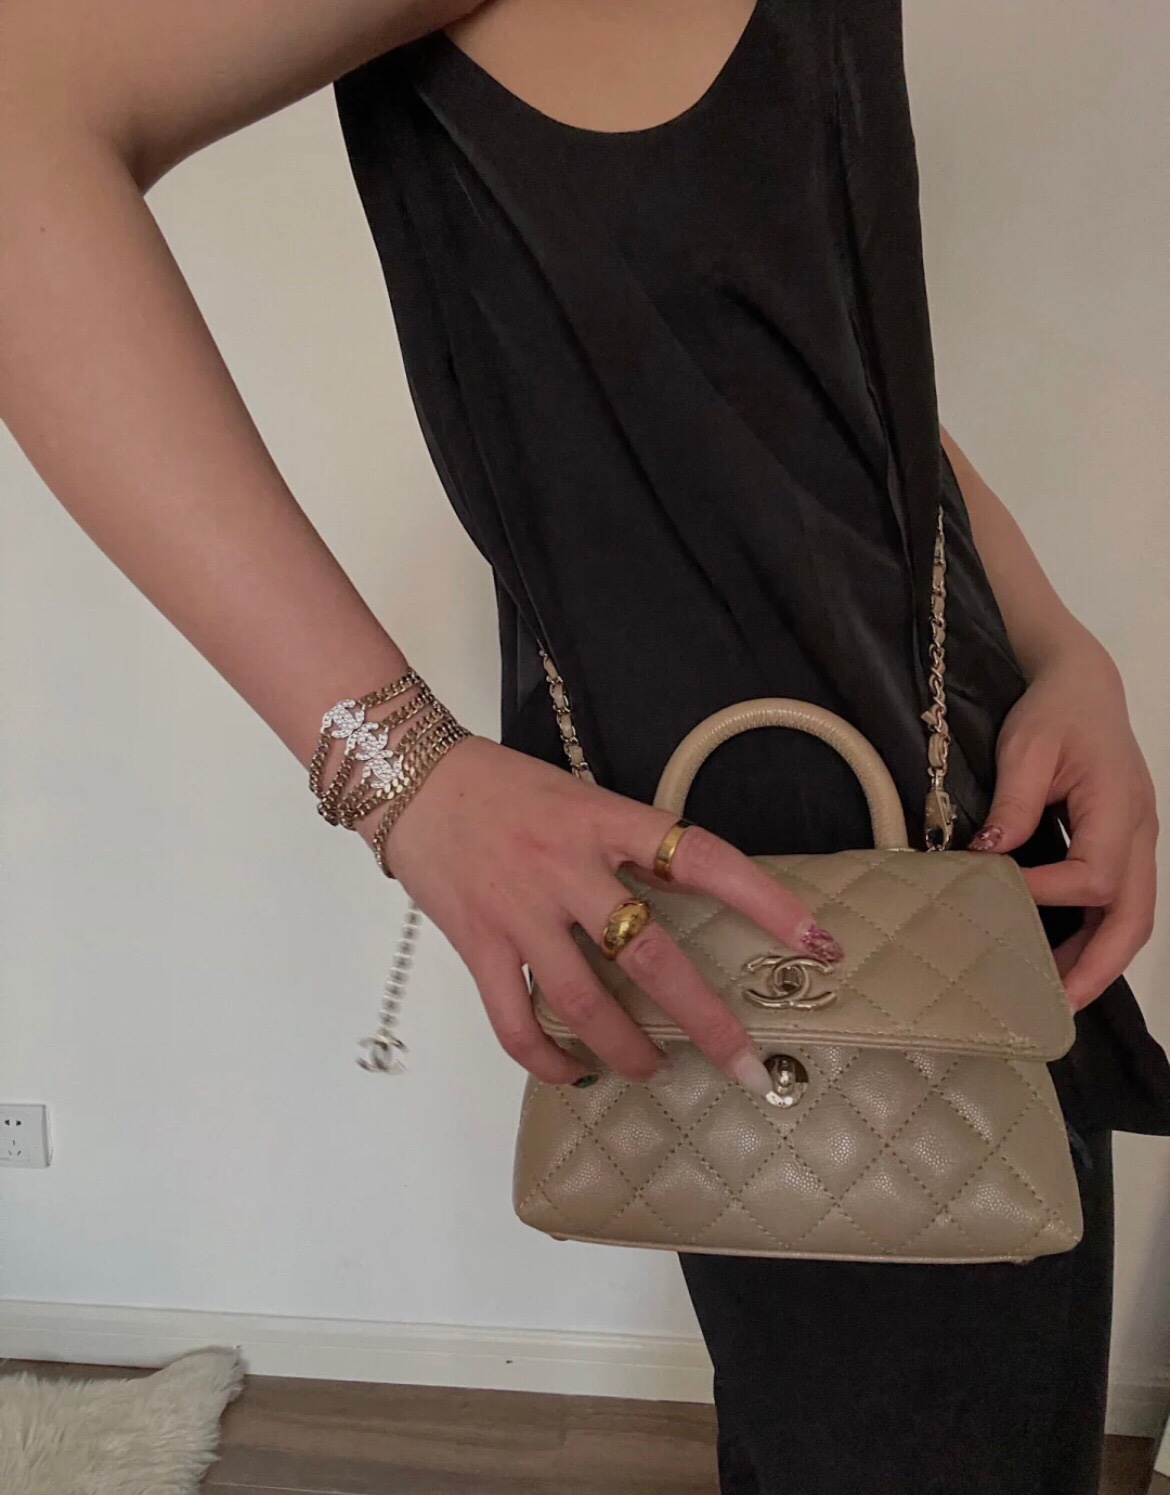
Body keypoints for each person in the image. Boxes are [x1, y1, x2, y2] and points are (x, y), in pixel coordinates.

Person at [2, 2, 1168, 1491]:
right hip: (778, 920)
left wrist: (1059, 644)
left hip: (965, 840)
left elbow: (824, 366)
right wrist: (400, 770)